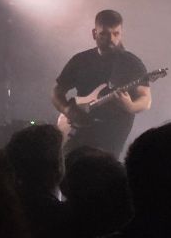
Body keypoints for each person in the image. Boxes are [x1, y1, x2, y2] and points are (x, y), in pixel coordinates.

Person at [52, 9, 151, 158]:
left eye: (116, 33)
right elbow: (57, 92)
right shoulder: (80, 60)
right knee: (68, 165)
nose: (111, 39)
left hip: (113, 131)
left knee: (102, 171)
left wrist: (130, 106)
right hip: (80, 126)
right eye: (105, 33)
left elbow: (146, 99)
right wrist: (67, 110)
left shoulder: (132, 63)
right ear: (94, 33)